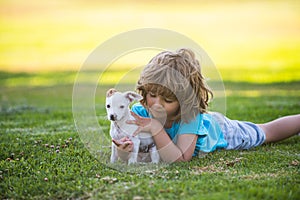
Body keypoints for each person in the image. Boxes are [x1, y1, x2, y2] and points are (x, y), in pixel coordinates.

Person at [113, 48, 300, 163]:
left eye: (168, 100)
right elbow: (134, 154)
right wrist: (125, 150)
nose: (157, 104)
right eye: (152, 95)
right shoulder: (139, 113)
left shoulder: (189, 117)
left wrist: (154, 127)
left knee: (265, 132)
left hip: (222, 130)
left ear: (184, 101)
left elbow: (181, 159)